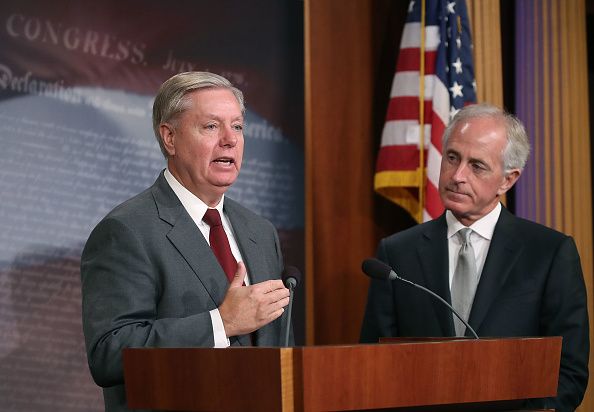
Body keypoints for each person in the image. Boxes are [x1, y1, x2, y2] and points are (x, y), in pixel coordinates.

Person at [81, 71, 291, 411]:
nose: (229, 140)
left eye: (237, 126)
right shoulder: (127, 230)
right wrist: (221, 323)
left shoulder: (260, 232)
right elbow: (109, 353)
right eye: (211, 126)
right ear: (170, 137)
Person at [360, 103, 589, 411]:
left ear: (508, 180)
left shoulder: (548, 254)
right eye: (452, 158)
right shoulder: (396, 253)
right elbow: (373, 363)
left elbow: (568, 372)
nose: (457, 176)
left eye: (477, 166)